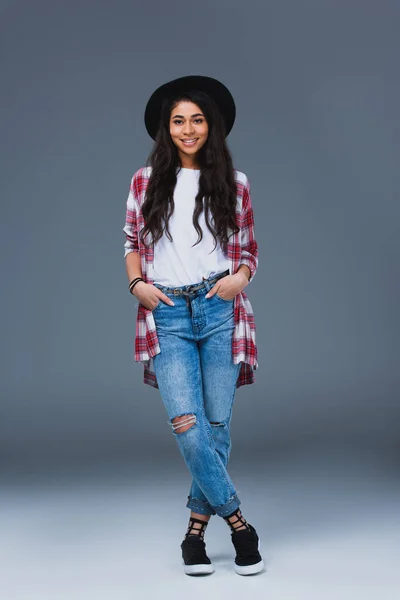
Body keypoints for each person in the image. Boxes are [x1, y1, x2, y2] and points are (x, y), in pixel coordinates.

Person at [122, 75, 264, 576]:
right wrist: (137, 284)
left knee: (217, 427)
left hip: (220, 308)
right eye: (178, 121)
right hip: (167, 314)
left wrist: (238, 279)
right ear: (166, 128)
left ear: (212, 126)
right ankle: (239, 521)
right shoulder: (144, 181)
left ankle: (195, 533)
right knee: (189, 424)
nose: (188, 129)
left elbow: (248, 248)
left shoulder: (236, 182)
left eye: (197, 120)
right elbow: (131, 243)